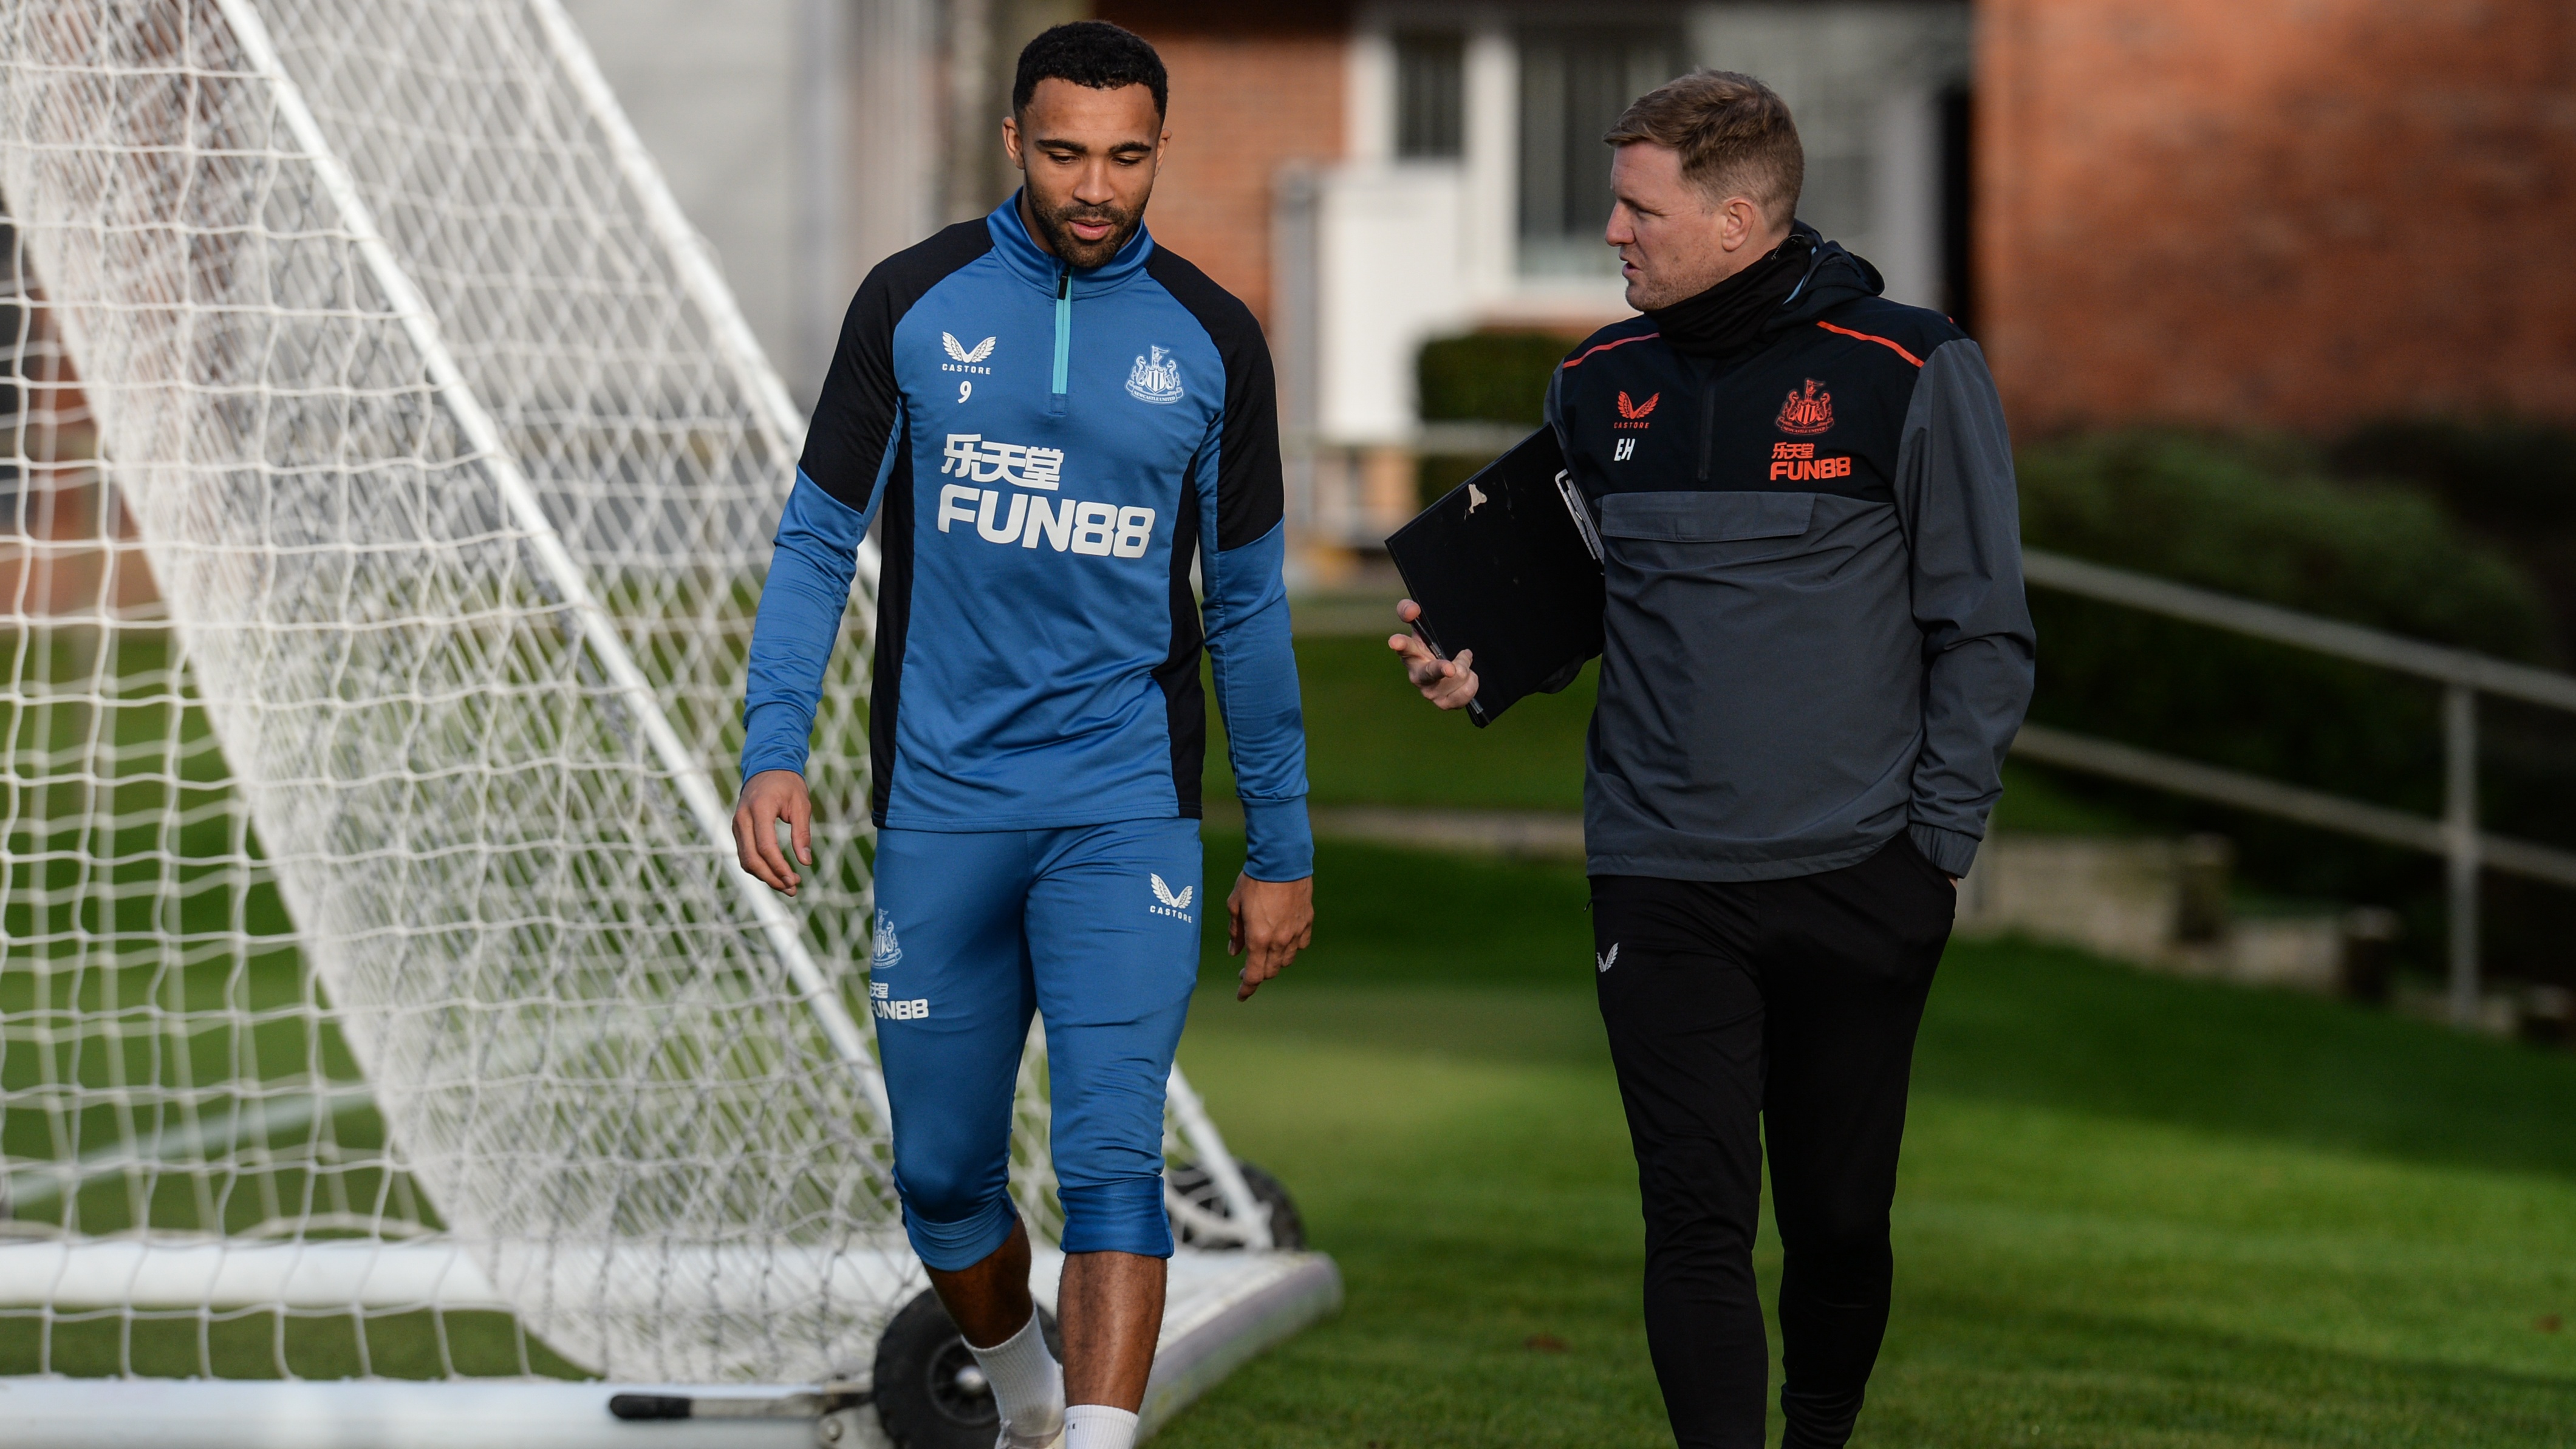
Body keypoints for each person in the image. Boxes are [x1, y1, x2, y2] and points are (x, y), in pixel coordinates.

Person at [1390, 71, 2033, 1449]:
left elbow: (1982, 626)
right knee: (1693, 1216)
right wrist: (1478, 664)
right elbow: (1571, 598)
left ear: (1736, 220)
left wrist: (1934, 851)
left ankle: (1819, 1431)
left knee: (1838, 1217)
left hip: (1860, 873)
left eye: (1639, 208)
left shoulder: (1911, 367)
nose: (1611, 231)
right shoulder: (1594, 381)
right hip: (1659, 874)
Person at [731, 22, 1314, 1449]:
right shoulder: (913, 302)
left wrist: (1282, 844)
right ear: (1013, 142)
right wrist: (772, 745)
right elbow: (816, 542)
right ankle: (1030, 1397)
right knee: (942, 1180)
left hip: (1124, 807)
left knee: (1114, 1156)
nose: (1095, 187)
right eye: (1064, 153)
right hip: (945, 806)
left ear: (1158, 150)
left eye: (1126, 156)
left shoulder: (1214, 340)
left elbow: (1246, 609)